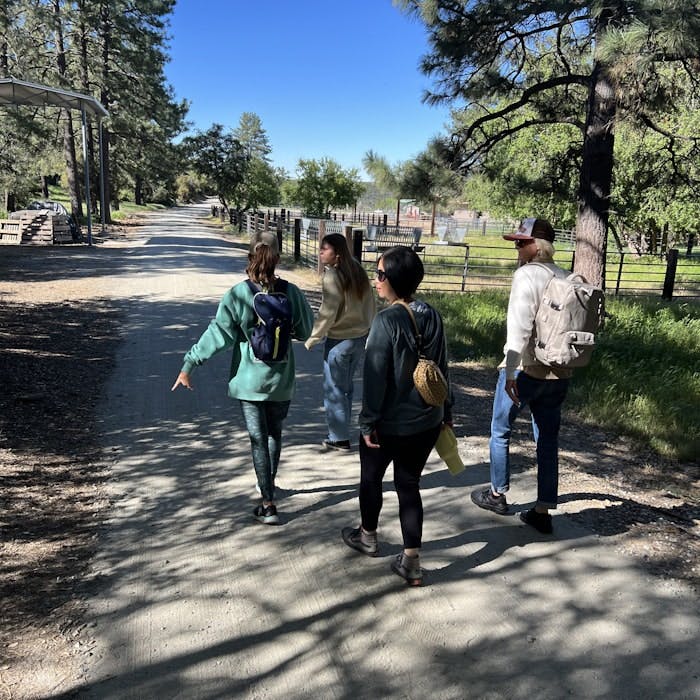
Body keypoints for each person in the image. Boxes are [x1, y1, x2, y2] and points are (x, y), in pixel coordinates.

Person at [171, 231, 313, 525]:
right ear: (278, 258)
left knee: (258, 440)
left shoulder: (238, 294)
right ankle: (269, 486)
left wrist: (189, 364)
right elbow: (305, 331)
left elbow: (218, 335)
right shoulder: (292, 292)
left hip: (249, 382)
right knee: (274, 435)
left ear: (250, 256)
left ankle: (268, 502)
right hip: (281, 380)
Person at [341, 245, 452, 586]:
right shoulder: (432, 315)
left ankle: (368, 536)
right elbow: (442, 368)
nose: (376, 280)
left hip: (389, 424)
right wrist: (447, 411)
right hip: (426, 422)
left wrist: (367, 422)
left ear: (393, 279)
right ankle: (412, 562)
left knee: (371, 479)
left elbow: (375, 377)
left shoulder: (386, 320)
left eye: (379, 275)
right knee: (409, 486)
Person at [470, 217, 571, 534]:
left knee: (500, 429)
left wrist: (511, 370)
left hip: (525, 369)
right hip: (560, 372)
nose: (516, 247)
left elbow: (519, 328)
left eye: (521, 242)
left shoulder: (527, 275)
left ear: (536, 245)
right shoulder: (568, 276)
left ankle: (497, 494)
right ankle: (543, 509)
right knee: (548, 439)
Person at [304, 233, 376, 451]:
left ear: (337, 253)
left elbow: (328, 312)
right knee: (346, 388)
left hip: (339, 341)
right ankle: (341, 431)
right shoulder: (357, 270)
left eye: (324, 249)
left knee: (334, 389)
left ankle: (338, 437)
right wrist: (371, 329)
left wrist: (313, 338)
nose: (320, 253)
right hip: (359, 338)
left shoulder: (333, 276)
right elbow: (371, 303)